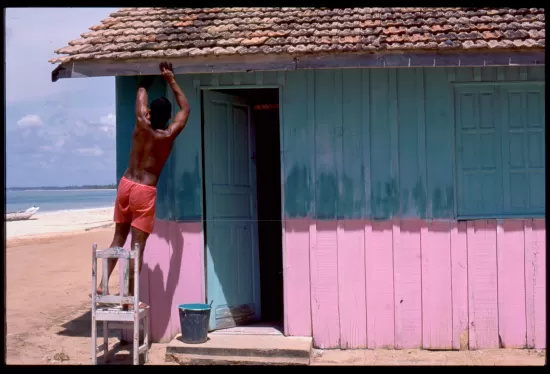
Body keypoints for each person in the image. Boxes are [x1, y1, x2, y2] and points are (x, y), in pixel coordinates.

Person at [95, 62, 190, 307]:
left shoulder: (140, 123)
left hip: (126, 185)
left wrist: (147, 79)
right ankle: (129, 298)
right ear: (168, 117)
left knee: (118, 240)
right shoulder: (168, 135)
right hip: (144, 191)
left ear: (149, 113)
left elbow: (140, 92)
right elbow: (186, 108)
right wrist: (171, 79)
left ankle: (101, 285)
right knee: (137, 247)